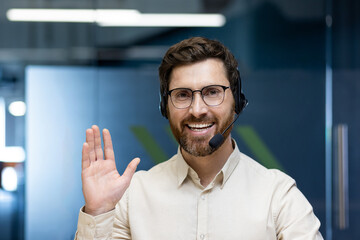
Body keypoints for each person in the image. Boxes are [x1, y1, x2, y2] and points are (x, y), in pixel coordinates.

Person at [75, 37, 323, 239]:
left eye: (212, 92)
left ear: (237, 101)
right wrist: (99, 213)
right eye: (182, 95)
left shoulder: (277, 196)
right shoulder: (133, 196)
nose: (197, 109)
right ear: (165, 106)